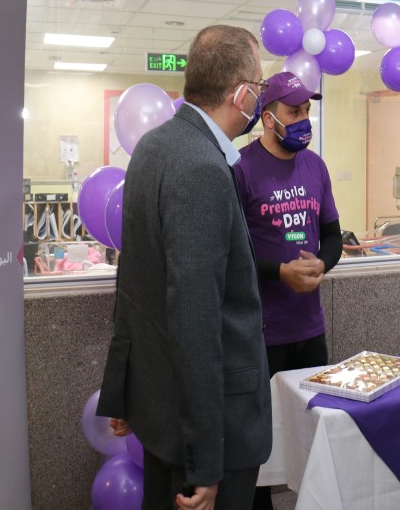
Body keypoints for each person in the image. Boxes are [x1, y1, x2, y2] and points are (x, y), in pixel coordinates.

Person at [97, 25, 272, 510]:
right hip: (207, 434)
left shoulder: (153, 147)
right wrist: (206, 466)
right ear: (241, 94)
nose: (259, 96)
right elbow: (196, 323)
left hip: (161, 413)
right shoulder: (202, 168)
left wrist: (124, 393)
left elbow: (132, 284)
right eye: (258, 85)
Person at [232, 71, 342, 510]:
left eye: (306, 111)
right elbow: (232, 253)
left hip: (309, 329)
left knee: (314, 438)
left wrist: (323, 263)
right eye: (294, 112)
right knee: (258, 448)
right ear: (268, 118)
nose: (303, 120)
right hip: (260, 333)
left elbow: (331, 235)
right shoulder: (240, 168)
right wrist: (280, 272)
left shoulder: (315, 166)